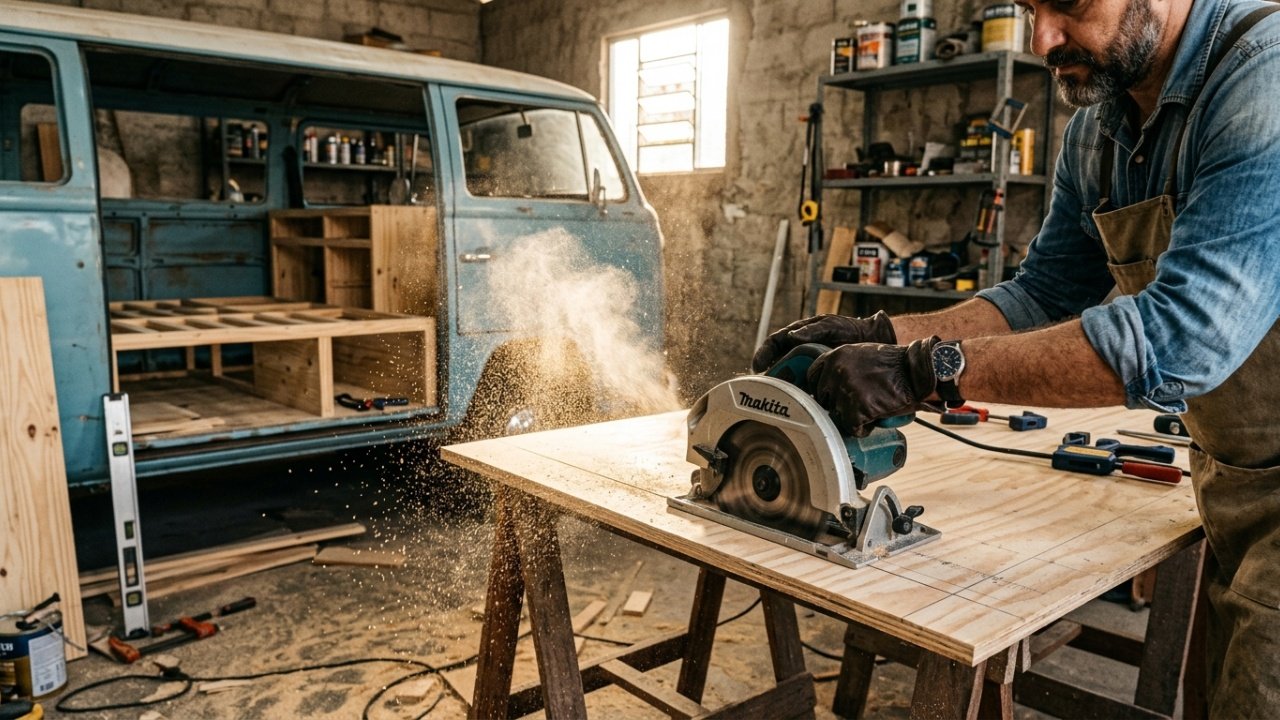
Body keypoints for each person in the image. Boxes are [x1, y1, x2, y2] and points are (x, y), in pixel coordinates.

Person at [753, 0, 1280, 713]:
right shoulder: (1099, 130)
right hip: (1231, 475)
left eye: (1070, 4)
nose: (1042, 39)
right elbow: (1044, 292)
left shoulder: (1263, 77)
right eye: (1031, 7)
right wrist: (882, 334)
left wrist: (930, 371)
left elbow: (1183, 336)